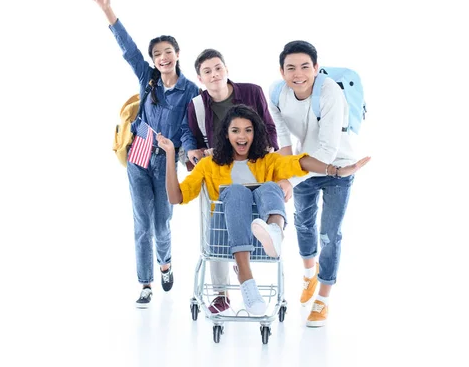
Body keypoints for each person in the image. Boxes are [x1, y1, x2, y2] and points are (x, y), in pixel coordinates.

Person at [156, 105, 370, 315]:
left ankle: (274, 233)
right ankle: (246, 279)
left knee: (270, 186)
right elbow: (176, 197)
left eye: (248, 130)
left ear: (256, 133)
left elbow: (299, 162)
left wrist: (334, 170)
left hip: (261, 237)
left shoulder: (267, 160)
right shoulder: (209, 164)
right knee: (236, 192)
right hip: (224, 235)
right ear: (226, 134)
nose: (242, 136)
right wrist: (169, 154)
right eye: (235, 130)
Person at [89, 0, 199, 308]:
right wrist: (107, 9)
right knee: (141, 222)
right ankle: (145, 282)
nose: (163, 58)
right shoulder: (147, 77)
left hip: (167, 161)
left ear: (178, 54)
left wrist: (188, 150)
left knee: (162, 222)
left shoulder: (191, 90)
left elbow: (191, 128)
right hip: (138, 155)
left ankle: (165, 264)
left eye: (168, 52)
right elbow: (128, 49)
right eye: (157, 54)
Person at [269, 40, 364, 326]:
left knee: (330, 233)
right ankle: (309, 275)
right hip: (303, 164)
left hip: (339, 166)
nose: (298, 74)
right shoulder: (275, 93)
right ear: (282, 71)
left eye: (305, 67)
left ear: (316, 68)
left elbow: (327, 151)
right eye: (291, 68)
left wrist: (291, 180)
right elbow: (283, 140)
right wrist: (286, 176)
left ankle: (323, 297)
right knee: (302, 223)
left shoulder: (330, 93)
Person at [186, 49, 280, 315]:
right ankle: (220, 293)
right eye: (207, 71)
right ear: (200, 78)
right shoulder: (197, 106)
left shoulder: (252, 92)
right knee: (216, 225)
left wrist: (270, 149)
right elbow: (192, 140)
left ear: (226, 69)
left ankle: (270, 237)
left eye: (218, 68)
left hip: (256, 168)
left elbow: (269, 127)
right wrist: (193, 153)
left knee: (262, 203)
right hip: (222, 172)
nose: (214, 75)